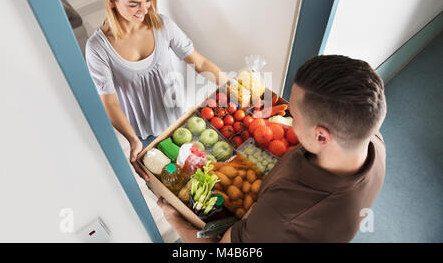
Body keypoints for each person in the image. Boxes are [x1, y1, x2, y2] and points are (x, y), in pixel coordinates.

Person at [157, 55, 387, 243]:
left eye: (294, 116)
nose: (286, 119)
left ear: (321, 136)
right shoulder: (373, 140)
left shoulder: (282, 216)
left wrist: (175, 219)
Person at [85, 0, 227, 181]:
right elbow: (109, 102)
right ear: (112, 1)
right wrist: (133, 141)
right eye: (134, 4)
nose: (144, 10)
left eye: (148, 0)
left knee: (201, 182)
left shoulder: (162, 25)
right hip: (141, 136)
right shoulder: (97, 48)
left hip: (179, 123)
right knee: (171, 185)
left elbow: (199, 63)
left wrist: (230, 85)